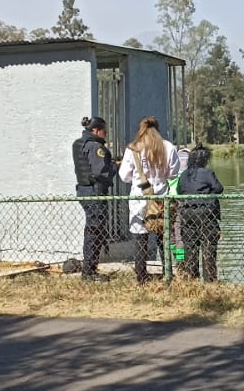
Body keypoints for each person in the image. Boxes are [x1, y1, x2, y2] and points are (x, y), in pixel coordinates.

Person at [118, 116, 180, 283]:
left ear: (141, 129)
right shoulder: (168, 147)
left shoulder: (133, 149)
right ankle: (167, 273)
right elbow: (173, 173)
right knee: (163, 237)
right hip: (160, 199)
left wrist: (138, 176)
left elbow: (124, 176)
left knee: (140, 238)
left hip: (139, 198)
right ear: (158, 129)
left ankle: (141, 276)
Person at [73, 116, 116, 281]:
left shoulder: (79, 144)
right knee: (95, 232)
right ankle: (89, 272)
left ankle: (89, 269)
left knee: (93, 230)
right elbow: (101, 171)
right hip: (94, 193)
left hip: (84, 191)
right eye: (104, 131)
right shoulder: (96, 147)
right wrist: (114, 166)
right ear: (97, 130)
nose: (106, 134)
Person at [176, 145, 224, 280]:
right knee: (209, 247)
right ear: (205, 159)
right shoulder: (207, 173)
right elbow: (219, 188)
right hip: (206, 214)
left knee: (190, 247)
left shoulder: (185, 174)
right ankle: (210, 279)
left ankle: (192, 278)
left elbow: (180, 191)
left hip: (187, 213)